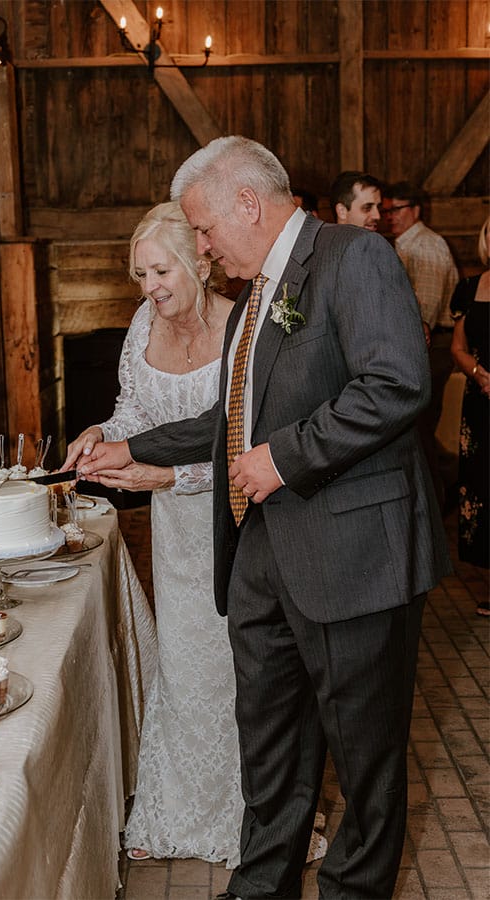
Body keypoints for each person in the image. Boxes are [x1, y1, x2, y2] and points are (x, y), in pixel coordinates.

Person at [80, 136, 452, 900]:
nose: (205, 251)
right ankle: (261, 887)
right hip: (263, 559)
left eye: (206, 231)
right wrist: (130, 446)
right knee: (270, 748)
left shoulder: (353, 258)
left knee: (364, 759)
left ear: (247, 203)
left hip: (354, 560)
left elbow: (397, 382)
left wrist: (283, 459)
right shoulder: (257, 291)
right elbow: (233, 415)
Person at [62, 202, 248, 866]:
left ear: (200, 261)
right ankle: (172, 807)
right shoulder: (143, 323)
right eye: (140, 274)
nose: (149, 288)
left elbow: (242, 445)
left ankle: (240, 814)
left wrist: (170, 480)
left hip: (234, 524)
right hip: (173, 534)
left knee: (232, 668)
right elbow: (134, 409)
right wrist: (101, 434)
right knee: (181, 662)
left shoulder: (242, 331)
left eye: (160, 270)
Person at [384, 181, 459, 509]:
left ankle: (436, 503)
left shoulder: (425, 245)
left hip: (431, 348)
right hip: (418, 348)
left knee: (420, 428)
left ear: (415, 210)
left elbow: (423, 315)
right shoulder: (404, 245)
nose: (389, 217)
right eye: (385, 210)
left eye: (395, 210)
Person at [450, 216, 490, 611]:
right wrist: (479, 374)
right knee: (482, 487)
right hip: (481, 405)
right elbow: (458, 348)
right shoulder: (468, 288)